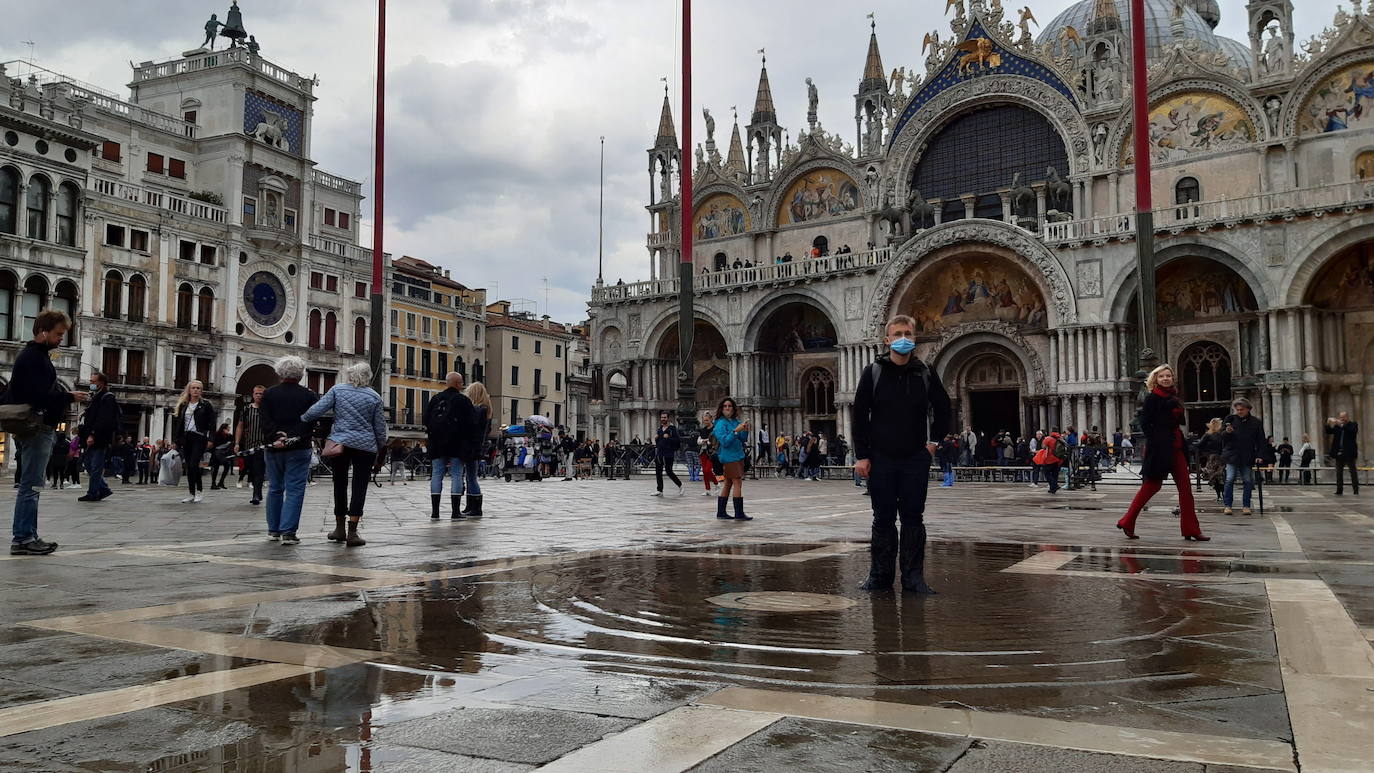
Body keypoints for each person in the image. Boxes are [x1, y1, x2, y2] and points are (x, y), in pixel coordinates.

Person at [852, 314, 952, 594]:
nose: (903, 338)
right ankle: (880, 577)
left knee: (913, 518)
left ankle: (913, 579)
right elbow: (859, 415)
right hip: (880, 457)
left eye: (907, 333)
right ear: (887, 340)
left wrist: (933, 443)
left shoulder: (925, 372)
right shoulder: (873, 371)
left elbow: (943, 408)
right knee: (882, 518)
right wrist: (862, 455)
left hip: (914, 458)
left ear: (915, 337)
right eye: (897, 334)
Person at [3, 310, 88, 555]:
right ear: (44, 332)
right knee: (32, 485)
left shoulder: (35, 356)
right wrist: (69, 396)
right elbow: (36, 395)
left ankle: (28, 535)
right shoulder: (33, 358)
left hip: (37, 428)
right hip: (37, 428)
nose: (62, 338)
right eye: (59, 334)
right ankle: (23, 538)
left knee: (33, 484)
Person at [1115, 365, 1209, 541]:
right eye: (1162, 376)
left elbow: (1178, 420)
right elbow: (1145, 423)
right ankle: (1127, 520)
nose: (1166, 378)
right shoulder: (1152, 398)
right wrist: (1156, 440)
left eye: (1168, 376)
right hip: (1160, 448)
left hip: (1177, 446)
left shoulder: (1174, 396)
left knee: (1186, 489)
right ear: (1155, 380)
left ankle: (1192, 529)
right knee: (1152, 486)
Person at [303, 363, 387, 546]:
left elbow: (315, 411)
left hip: (339, 443)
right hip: (365, 446)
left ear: (350, 376)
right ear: (368, 377)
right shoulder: (374, 397)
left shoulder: (337, 390)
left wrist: (302, 420)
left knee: (339, 483)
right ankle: (353, 532)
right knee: (359, 486)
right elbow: (380, 428)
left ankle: (339, 528)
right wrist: (381, 448)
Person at [260, 356, 318, 544]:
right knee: (294, 489)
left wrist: (277, 437)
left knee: (275, 488)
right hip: (299, 447)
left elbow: (265, 421)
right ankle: (288, 532)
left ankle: (273, 530)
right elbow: (309, 422)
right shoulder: (309, 395)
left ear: (279, 373)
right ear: (301, 374)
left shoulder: (269, 394)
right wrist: (291, 437)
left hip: (274, 447)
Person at [423, 372, 475, 520]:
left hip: (436, 444)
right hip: (457, 444)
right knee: (456, 475)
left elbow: (426, 419)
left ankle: (435, 512)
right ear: (458, 384)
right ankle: (455, 511)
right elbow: (471, 424)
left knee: (437, 474)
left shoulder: (436, 399)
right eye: (462, 383)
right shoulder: (463, 401)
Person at [172, 380, 216, 504]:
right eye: (193, 388)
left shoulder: (206, 405)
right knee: (188, 467)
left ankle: (199, 491)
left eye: (198, 388)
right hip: (186, 438)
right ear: (189, 390)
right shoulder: (183, 405)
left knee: (193, 464)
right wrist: (176, 440)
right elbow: (179, 424)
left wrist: (211, 439)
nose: (196, 390)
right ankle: (191, 493)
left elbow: (212, 424)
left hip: (199, 437)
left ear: (201, 391)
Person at [78, 372, 119, 503]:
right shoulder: (96, 396)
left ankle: (93, 493)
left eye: (93, 381)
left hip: (99, 438)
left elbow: (103, 418)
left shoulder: (107, 397)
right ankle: (103, 488)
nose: (91, 384)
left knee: (95, 466)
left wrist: (92, 434)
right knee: (88, 464)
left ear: (101, 383)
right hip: (91, 437)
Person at [1221, 398, 1266, 516]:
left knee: (1247, 480)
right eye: (1237, 410)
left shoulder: (1256, 422)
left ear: (1248, 409)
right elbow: (1222, 437)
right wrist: (1227, 432)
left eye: (1242, 409)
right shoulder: (1230, 419)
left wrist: (1260, 455)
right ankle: (1228, 505)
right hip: (1232, 455)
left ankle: (1246, 505)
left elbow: (1261, 441)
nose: (1239, 412)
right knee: (1229, 479)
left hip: (1247, 455)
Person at [711, 397, 752, 521]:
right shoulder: (720, 423)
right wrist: (735, 432)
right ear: (721, 409)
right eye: (725, 406)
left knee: (728, 483)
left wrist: (745, 430)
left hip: (738, 455)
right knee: (737, 483)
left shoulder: (735, 421)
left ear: (734, 408)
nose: (727, 408)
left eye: (730, 406)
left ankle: (721, 512)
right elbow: (724, 441)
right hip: (729, 457)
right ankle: (739, 513)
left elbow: (742, 439)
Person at [462, 382, 492, 515]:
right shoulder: (486, 410)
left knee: (471, 477)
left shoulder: (478, 410)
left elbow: (471, 428)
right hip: (478, 447)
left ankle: (475, 508)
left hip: (473, 447)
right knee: (470, 477)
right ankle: (471, 506)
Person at [234, 387, 268, 504]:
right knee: (251, 469)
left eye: (261, 394)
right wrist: (237, 443)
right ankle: (257, 491)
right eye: (257, 393)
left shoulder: (268, 409)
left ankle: (256, 494)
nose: (259, 395)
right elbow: (240, 426)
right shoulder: (246, 409)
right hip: (249, 445)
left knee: (259, 469)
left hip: (263, 445)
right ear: (253, 395)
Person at [1327, 412, 1360, 496]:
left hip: (1349, 453)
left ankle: (1355, 490)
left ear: (1347, 417)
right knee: (1339, 472)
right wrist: (1328, 423)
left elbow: (1352, 431)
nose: (1341, 419)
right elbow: (1329, 431)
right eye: (1340, 417)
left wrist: (1341, 425)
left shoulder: (1353, 424)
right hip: (1339, 453)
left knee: (1353, 472)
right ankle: (1339, 490)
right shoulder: (1338, 426)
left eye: (1343, 417)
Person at [651, 411, 683, 496]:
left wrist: (669, 438)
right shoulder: (659, 429)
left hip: (668, 454)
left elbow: (677, 441)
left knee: (669, 471)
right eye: (662, 417)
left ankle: (680, 485)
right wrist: (656, 439)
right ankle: (659, 490)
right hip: (659, 453)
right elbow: (659, 443)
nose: (663, 419)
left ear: (668, 418)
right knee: (658, 472)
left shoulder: (672, 429)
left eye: (665, 417)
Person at [1198, 418, 1226, 502]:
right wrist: (1205, 454)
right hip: (1213, 457)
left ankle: (1222, 494)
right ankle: (1220, 495)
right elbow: (1200, 445)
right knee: (1217, 477)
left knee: (1220, 477)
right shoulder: (1208, 435)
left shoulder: (1222, 434)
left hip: (1220, 457)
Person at [1034, 429, 1067, 494]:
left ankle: (1054, 486)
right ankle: (1052, 489)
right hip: (1058, 459)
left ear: (1051, 432)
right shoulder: (1060, 438)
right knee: (1055, 474)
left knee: (1046, 473)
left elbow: (1043, 447)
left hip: (1049, 459)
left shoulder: (1048, 438)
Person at [699, 410, 720, 496]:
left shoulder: (715, 429)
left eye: (707, 420)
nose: (705, 422)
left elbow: (716, 440)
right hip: (703, 451)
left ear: (711, 419)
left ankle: (716, 483)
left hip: (712, 452)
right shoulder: (703, 430)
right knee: (704, 471)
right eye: (704, 420)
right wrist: (702, 441)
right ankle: (707, 489)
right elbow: (699, 440)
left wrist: (708, 441)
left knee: (708, 470)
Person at [208, 423, 234, 490]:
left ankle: (221, 482)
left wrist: (228, 435)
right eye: (228, 427)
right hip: (216, 453)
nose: (229, 428)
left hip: (223, 454)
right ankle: (213, 484)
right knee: (215, 468)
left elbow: (232, 440)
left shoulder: (228, 435)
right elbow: (214, 443)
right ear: (224, 428)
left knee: (227, 466)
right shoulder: (217, 434)